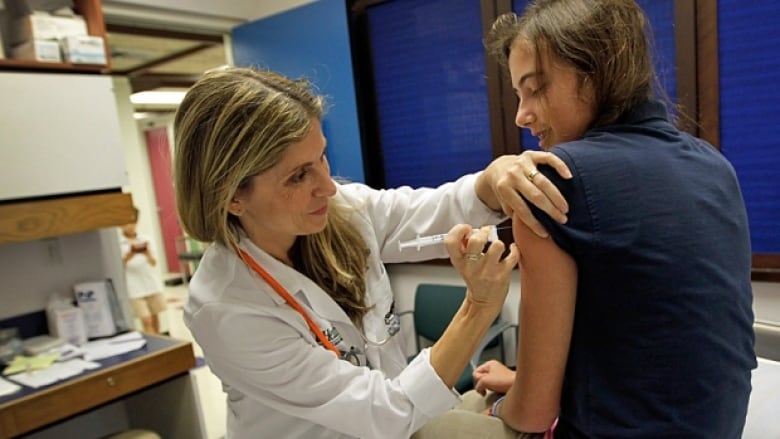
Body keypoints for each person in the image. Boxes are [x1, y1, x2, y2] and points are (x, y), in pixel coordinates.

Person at [172, 66, 571, 439]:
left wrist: (492, 179)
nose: (328, 187)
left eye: (321, 157)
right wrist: (479, 306)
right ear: (233, 197)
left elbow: (427, 211)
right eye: (298, 175)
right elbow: (386, 412)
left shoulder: (337, 212)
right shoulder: (226, 309)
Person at [418, 1, 756, 438]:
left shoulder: (553, 179)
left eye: (535, 89)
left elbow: (534, 415)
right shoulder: (715, 166)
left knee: (430, 426)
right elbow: (655, 350)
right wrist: (520, 381)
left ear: (597, 72)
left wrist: (506, 401)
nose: (521, 115)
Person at [119, 207, 167, 335]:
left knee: (155, 317)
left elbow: (154, 262)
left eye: (133, 222)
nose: (130, 226)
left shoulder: (146, 239)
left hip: (151, 283)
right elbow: (119, 266)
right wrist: (129, 255)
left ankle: (160, 342)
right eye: (126, 223)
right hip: (134, 287)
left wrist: (147, 253)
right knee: (146, 320)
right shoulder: (118, 244)